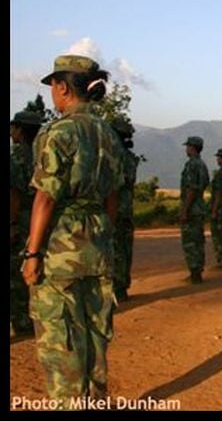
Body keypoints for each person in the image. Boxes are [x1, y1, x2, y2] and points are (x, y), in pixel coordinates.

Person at [21, 54, 123, 406]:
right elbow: (113, 197)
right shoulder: (109, 134)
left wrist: (33, 253)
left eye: (52, 86)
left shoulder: (61, 131)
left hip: (60, 246)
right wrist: (102, 237)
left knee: (59, 337)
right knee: (95, 331)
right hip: (97, 243)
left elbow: (45, 198)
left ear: (62, 87)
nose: (52, 92)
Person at [10, 110, 46, 335]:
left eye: (14, 127)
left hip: (22, 218)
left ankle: (21, 320)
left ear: (21, 130)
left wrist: (12, 223)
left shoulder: (17, 157)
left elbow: (13, 194)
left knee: (16, 271)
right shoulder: (42, 153)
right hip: (40, 218)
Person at [109, 118, 139, 302]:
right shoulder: (130, 157)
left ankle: (116, 288)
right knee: (125, 249)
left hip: (115, 209)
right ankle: (122, 286)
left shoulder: (114, 156)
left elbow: (112, 186)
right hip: (126, 208)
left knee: (115, 250)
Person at [180, 136, 210, 284]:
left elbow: (191, 188)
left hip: (192, 209)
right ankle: (197, 271)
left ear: (192, 148)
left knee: (190, 242)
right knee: (198, 241)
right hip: (199, 207)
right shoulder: (202, 164)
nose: (186, 149)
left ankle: (194, 273)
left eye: (188, 146)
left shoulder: (192, 164)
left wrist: (185, 210)